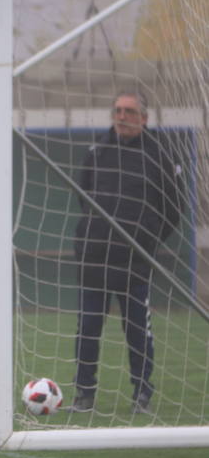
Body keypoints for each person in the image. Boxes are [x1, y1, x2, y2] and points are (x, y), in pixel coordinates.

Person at [71, 90, 182, 414]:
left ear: (144, 118)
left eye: (129, 111)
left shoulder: (159, 154)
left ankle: (142, 394)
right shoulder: (97, 151)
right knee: (88, 328)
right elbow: (84, 196)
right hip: (94, 259)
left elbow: (174, 209)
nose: (121, 116)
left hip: (134, 261)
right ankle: (84, 394)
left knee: (137, 330)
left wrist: (146, 240)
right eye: (117, 110)